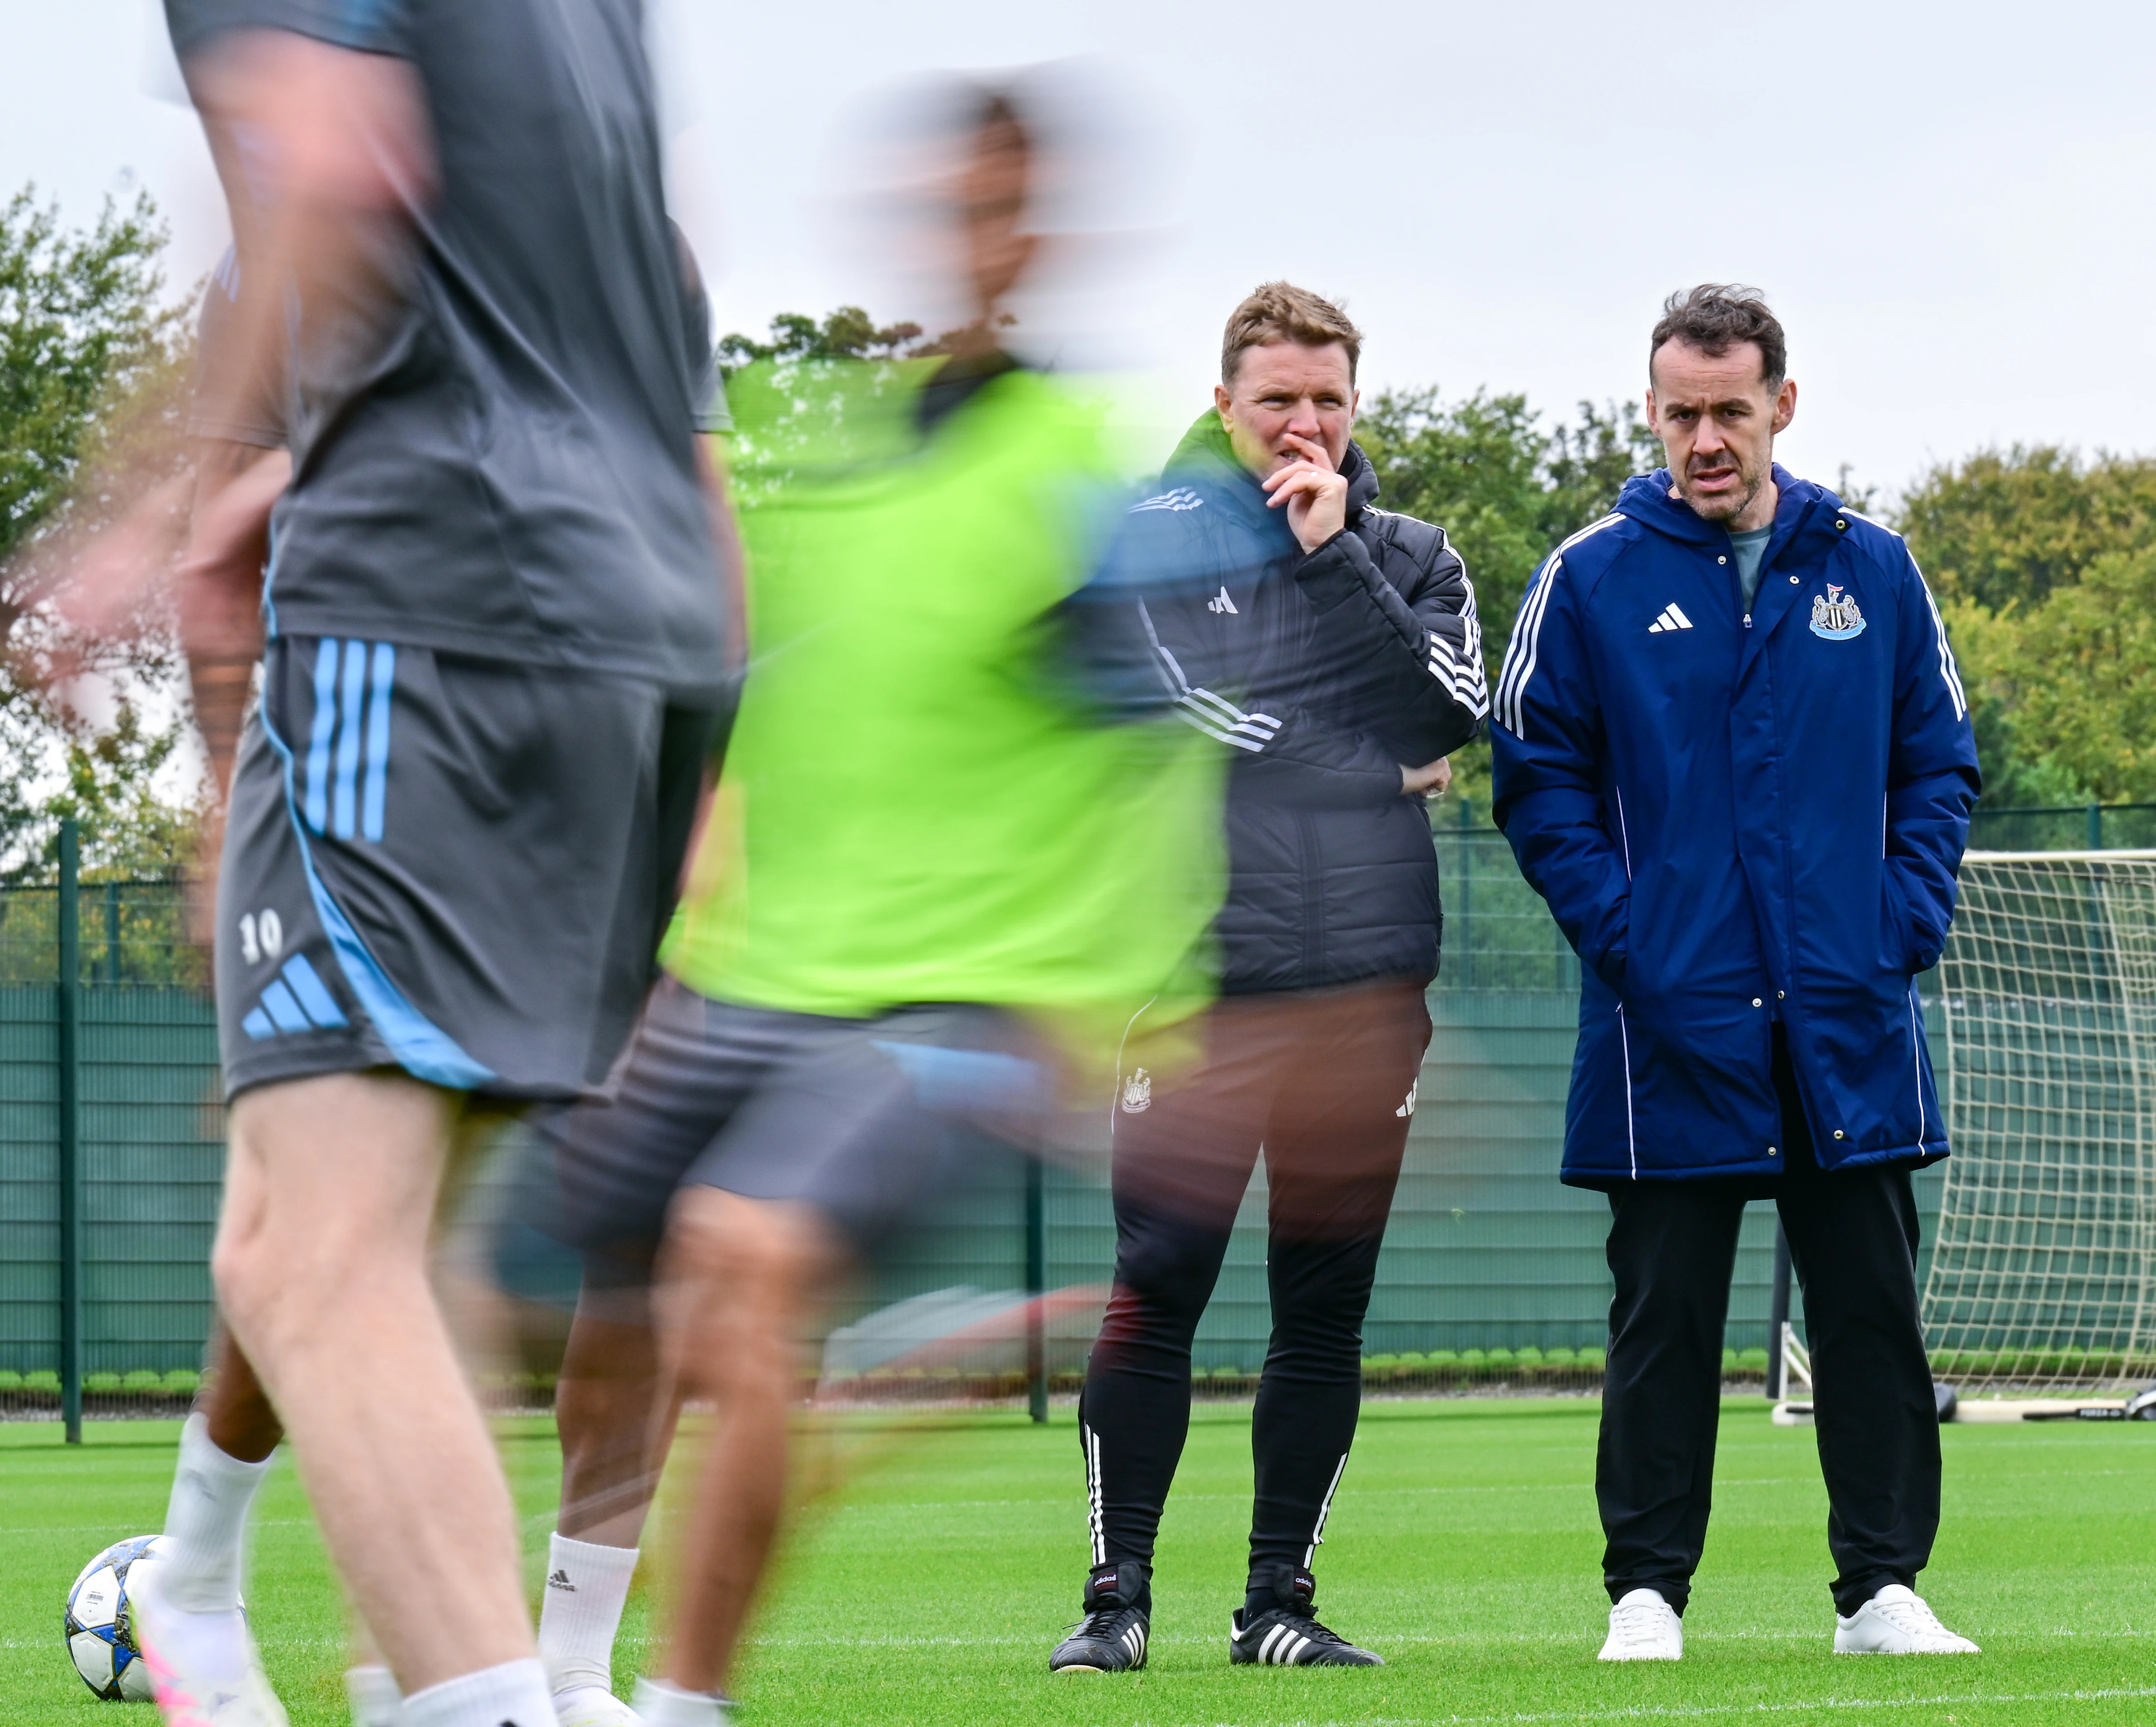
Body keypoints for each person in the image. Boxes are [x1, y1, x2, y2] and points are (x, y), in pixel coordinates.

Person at [533, 85, 1225, 1727]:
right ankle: (558, 1680)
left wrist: (1123, 1017)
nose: (962, 235)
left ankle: (681, 1703)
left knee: (741, 1263)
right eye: (938, 203)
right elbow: (742, 718)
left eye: (995, 205)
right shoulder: (828, 466)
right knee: (596, 1327)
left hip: (946, 999)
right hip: (748, 977)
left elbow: (1158, 764)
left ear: (1035, 234)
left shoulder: (1077, 484)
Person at [135, 6, 735, 1726]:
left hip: (437, 606)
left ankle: (462, 1669)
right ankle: (257, 1610)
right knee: (342, 1236)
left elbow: (326, 159)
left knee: (329, 1248)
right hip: (638, 662)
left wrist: (128, 512)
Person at [1490, 285, 1981, 1661]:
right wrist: (1632, 939)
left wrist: (1900, 922)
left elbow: (1939, 758)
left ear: (1783, 403)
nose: (1707, 437)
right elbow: (1536, 783)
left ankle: (1882, 1590)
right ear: (1651, 410)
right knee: (1663, 1317)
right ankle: (1646, 1594)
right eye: (1680, 411)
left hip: (1846, 1007)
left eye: (1731, 409)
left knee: (1873, 1313)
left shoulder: (1871, 565)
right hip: (1671, 1019)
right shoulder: (1588, 575)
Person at [1050, 282, 1485, 1674]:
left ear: (1358, 409)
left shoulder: (1413, 552)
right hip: (1193, 984)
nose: (1304, 422)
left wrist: (1332, 554)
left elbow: (1447, 714)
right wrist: (1366, 760)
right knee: (1156, 1283)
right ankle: (1114, 1604)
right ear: (1225, 399)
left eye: (1329, 401)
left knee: (1323, 1302)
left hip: (1366, 992)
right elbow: (1185, 713)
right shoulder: (1153, 540)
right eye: (1278, 398)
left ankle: (1278, 1604)